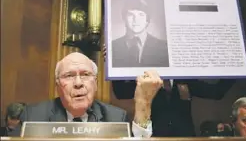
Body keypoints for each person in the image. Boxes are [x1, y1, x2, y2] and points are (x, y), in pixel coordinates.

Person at [104, 43, 246, 137]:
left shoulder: (186, 78)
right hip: (153, 136)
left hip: (185, 136)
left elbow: (216, 92)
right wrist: (111, 63)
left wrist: (240, 63)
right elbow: (121, 92)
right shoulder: (148, 80)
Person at [8, 52, 163, 137]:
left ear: (95, 83)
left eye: (85, 75)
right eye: (68, 76)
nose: (78, 83)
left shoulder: (115, 118)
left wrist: (143, 103)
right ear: (57, 85)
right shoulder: (33, 116)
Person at [111, 0, 169, 68]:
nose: (136, 20)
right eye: (131, 15)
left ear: (147, 20)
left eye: (141, 15)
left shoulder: (164, 47)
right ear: (124, 18)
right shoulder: (112, 47)